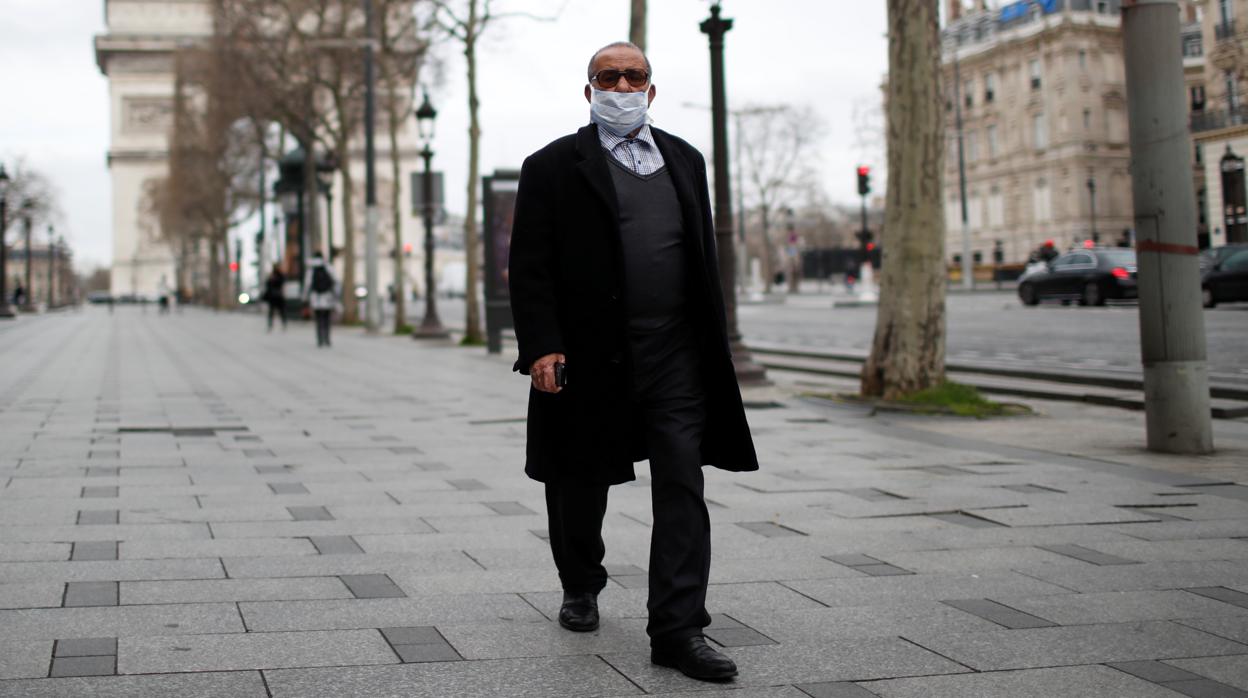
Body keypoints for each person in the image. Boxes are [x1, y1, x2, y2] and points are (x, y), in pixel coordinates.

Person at [508, 41, 759, 683]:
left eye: (634, 75)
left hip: (675, 351)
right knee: (579, 480)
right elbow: (530, 265)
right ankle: (581, 580)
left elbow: (699, 257)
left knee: (682, 478)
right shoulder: (551, 166)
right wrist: (541, 344)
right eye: (608, 76)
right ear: (588, 89)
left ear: (651, 90)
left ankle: (679, 630)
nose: (621, 84)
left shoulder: (686, 160)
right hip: (587, 355)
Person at [302, 252, 337, 347]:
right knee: (326, 318)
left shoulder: (311, 270)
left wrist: (304, 298)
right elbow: (335, 281)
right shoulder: (328, 267)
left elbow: (307, 285)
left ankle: (320, 339)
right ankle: (327, 338)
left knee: (318, 319)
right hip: (327, 296)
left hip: (316, 297)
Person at [263, 264, 287, 331]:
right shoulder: (272, 275)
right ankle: (270, 325)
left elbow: (282, 283)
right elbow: (268, 284)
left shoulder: (280, 275)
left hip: (278, 296)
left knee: (281, 312)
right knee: (272, 312)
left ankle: (283, 324)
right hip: (274, 297)